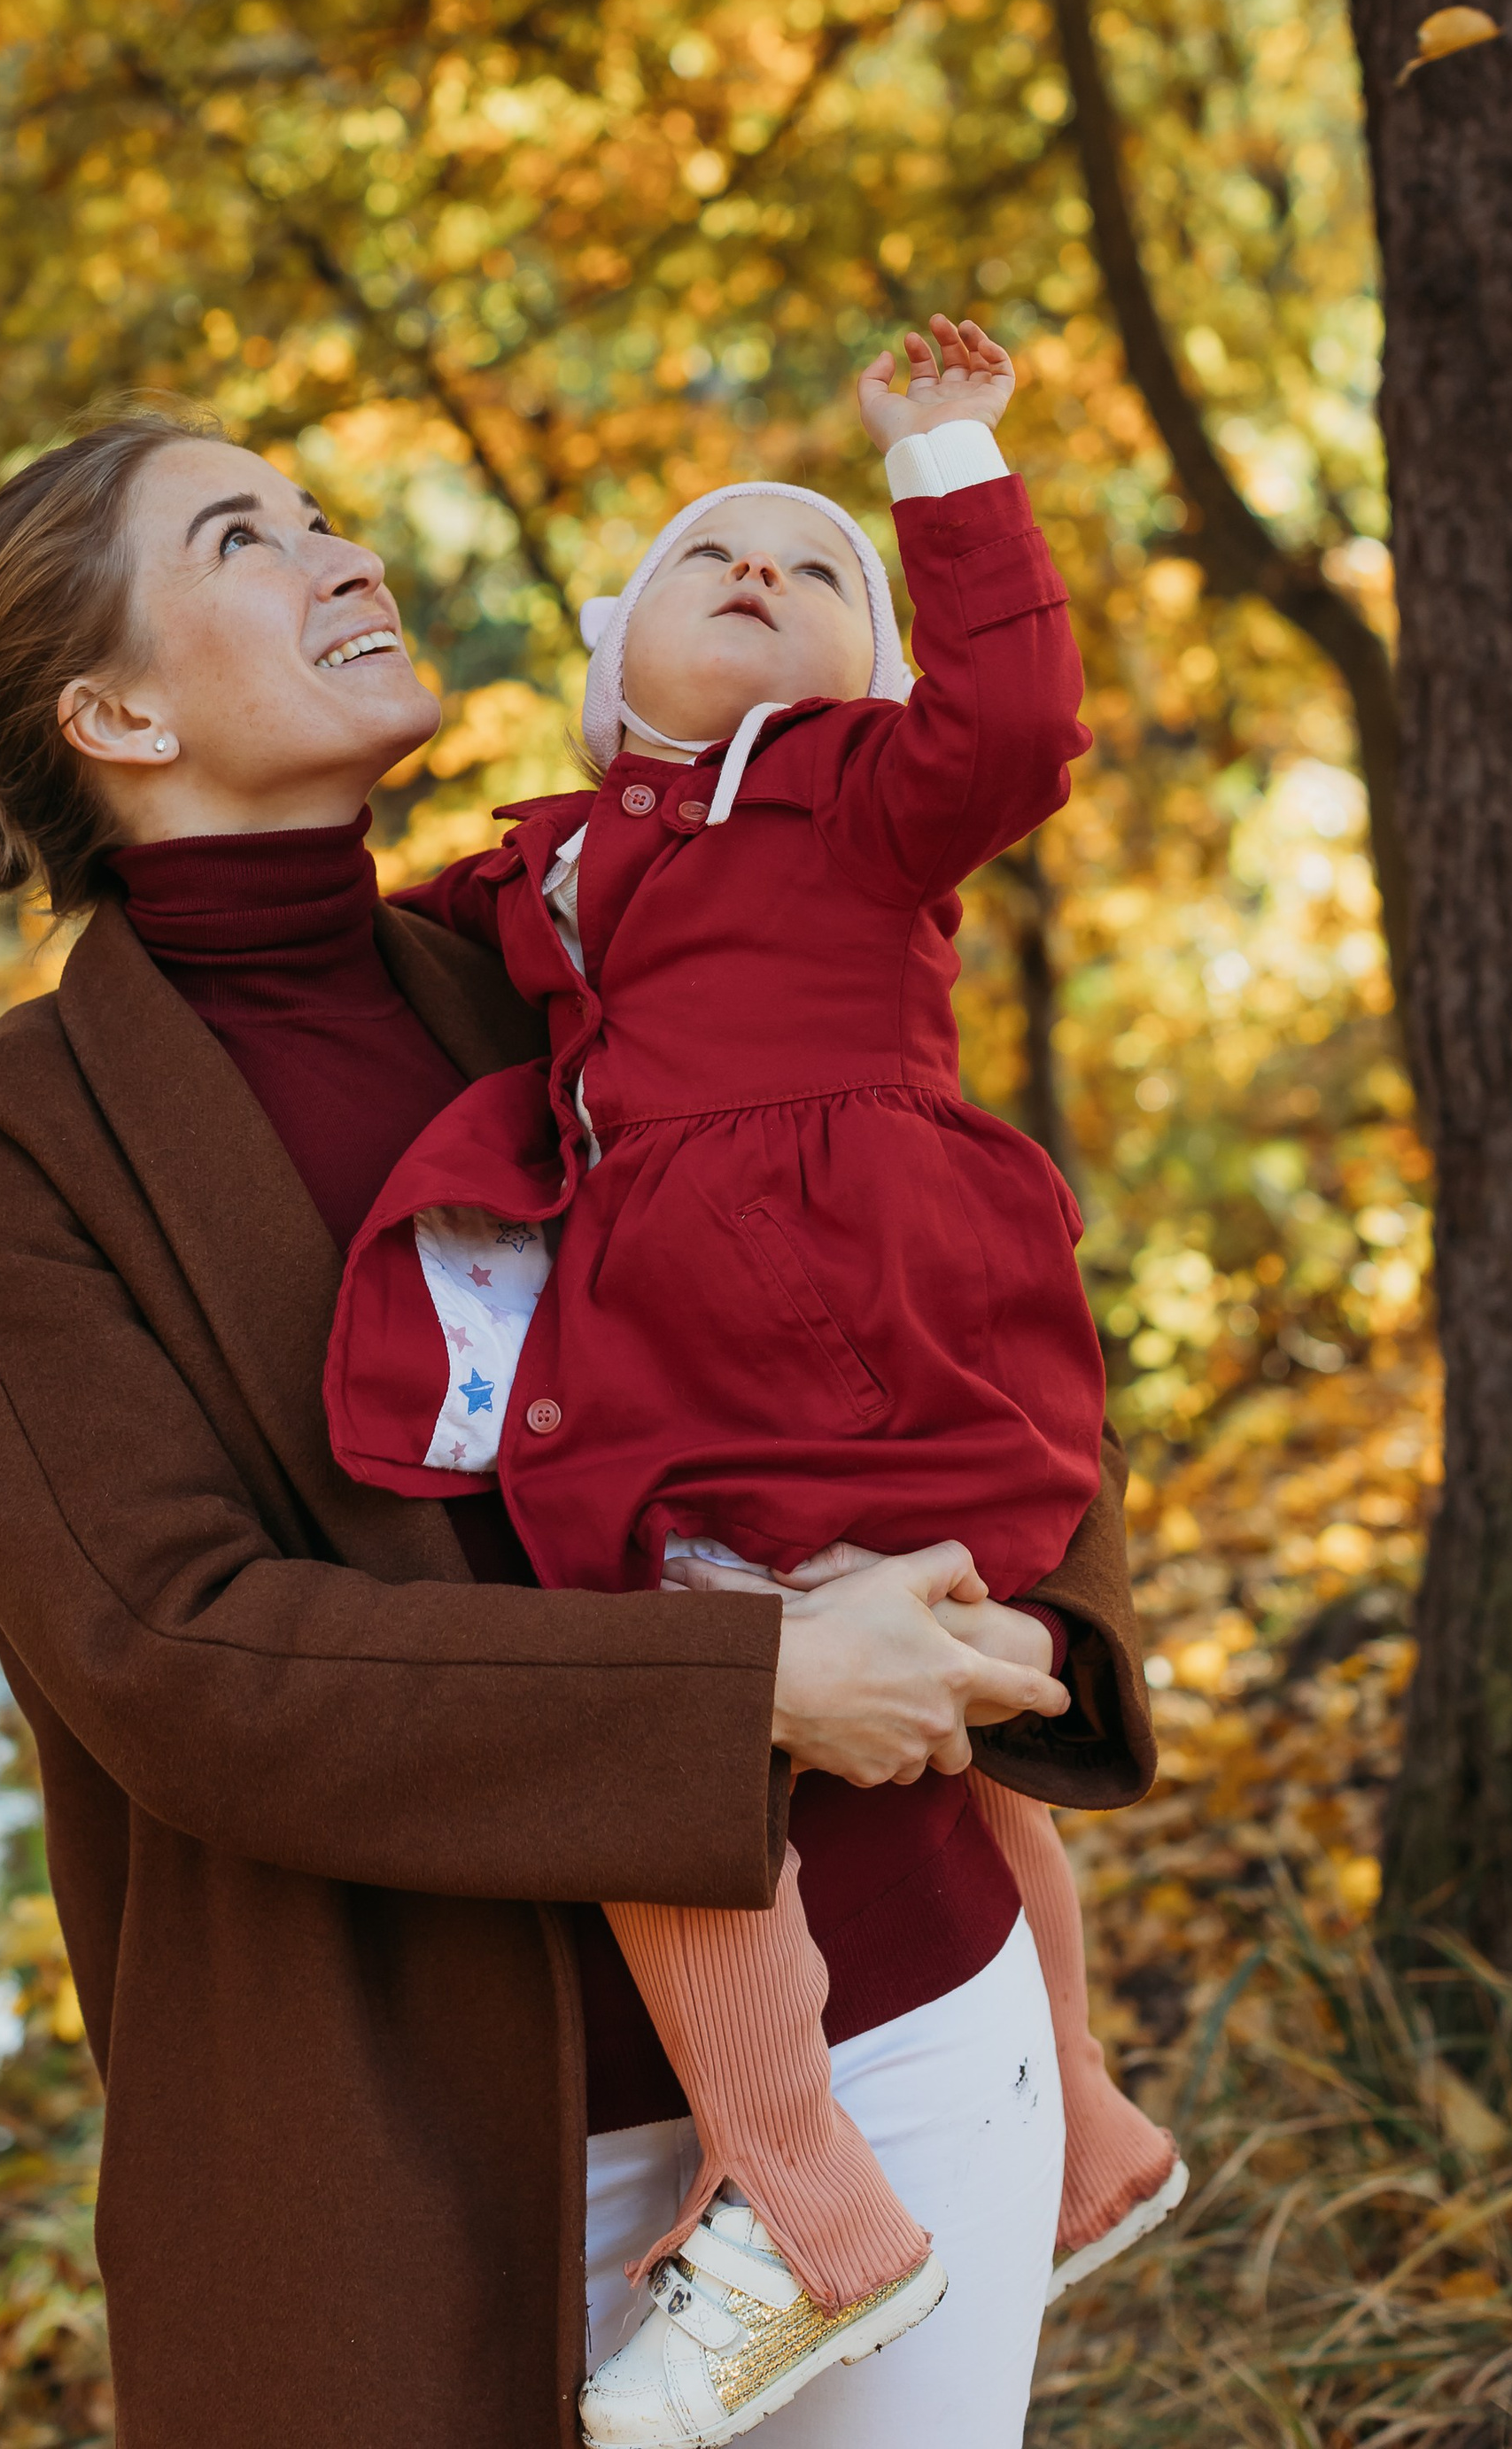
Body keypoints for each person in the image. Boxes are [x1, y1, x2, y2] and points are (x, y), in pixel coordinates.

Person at [0, 394, 1158, 2449]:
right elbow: (179, 1658)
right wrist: (748, 1677)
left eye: (319, 516)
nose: (343, 557)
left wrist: (1021, 1618)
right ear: (112, 716)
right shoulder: (5, 1150)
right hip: (442, 2136)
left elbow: (924, 1272)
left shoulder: (562, 959)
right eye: (243, 541)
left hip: (909, 2016)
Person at [323, 318, 1180, 2445]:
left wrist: (943, 471)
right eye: (711, 558)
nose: (757, 579)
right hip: (697, 1340)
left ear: (864, 674)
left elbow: (1014, 723)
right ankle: (1074, 2123)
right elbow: (364, 970)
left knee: (670, 1737)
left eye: (812, 575)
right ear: (614, 677)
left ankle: (800, 2215)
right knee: (931, 1727)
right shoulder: (549, 867)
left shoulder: (857, 802)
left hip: (853, 1319)